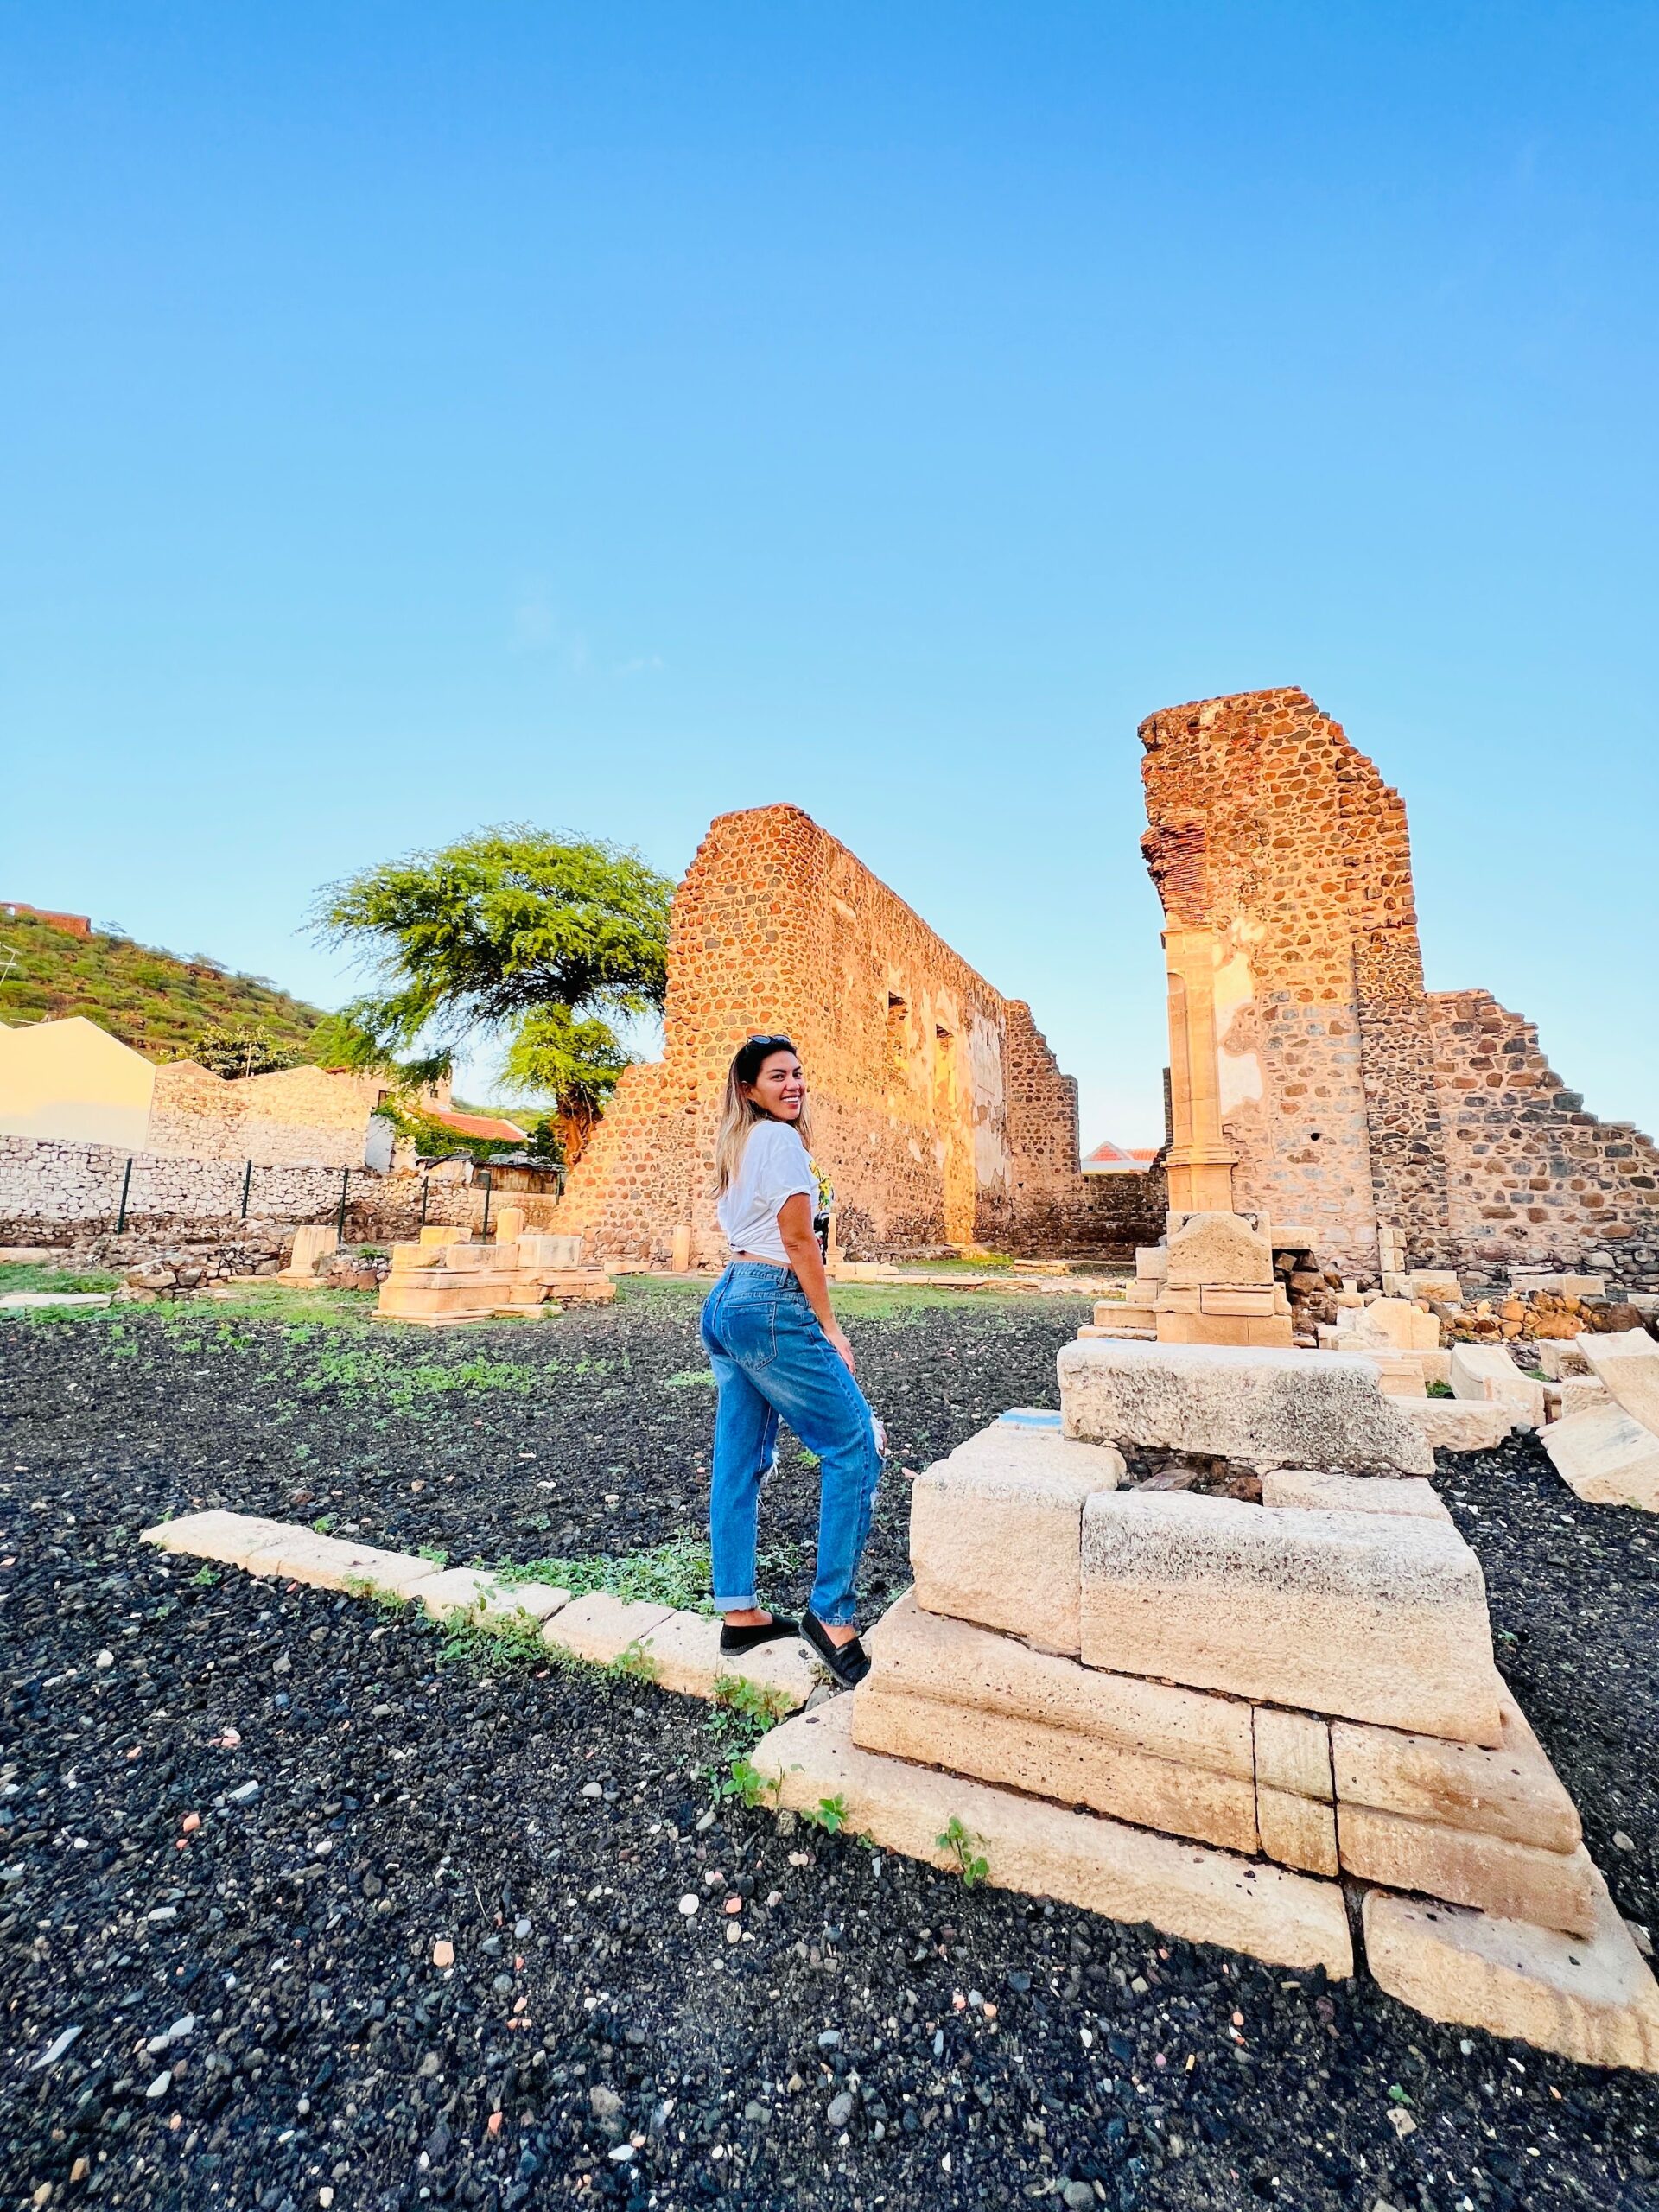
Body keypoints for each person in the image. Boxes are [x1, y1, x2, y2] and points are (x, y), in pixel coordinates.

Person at [700, 1033, 883, 1689]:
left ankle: (739, 1612)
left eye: (799, 1073)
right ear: (749, 1088)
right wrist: (831, 1328)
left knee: (740, 1459)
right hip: (770, 1302)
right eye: (778, 1076)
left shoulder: (740, 1144)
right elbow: (799, 1240)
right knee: (855, 1445)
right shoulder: (780, 1141)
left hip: (727, 1302)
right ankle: (830, 1616)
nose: (793, 1085)